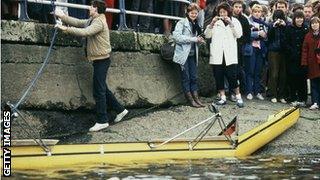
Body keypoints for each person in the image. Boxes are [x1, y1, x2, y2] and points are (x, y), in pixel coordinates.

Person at [54, 0, 128, 132]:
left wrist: (65, 29)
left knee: (98, 91)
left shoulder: (99, 22)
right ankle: (120, 110)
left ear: (96, 9)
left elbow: (85, 32)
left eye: (91, 6)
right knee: (103, 88)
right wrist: (62, 17)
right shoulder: (93, 19)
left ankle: (102, 120)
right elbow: (78, 22)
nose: (89, 8)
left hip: (102, 60)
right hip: (99, 59)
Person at [204, 2, 244, 108]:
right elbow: (207, 35)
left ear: (228, 12)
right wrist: (211, 24)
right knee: (218, 76)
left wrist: (231, 24)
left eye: (224, 12)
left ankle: (238, 96)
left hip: (229, 54)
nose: (222, 14)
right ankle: (222, 97)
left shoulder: (235, 21)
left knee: (232, 76)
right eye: (220, 12)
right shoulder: (215, 22)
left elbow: (239, 35)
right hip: (217, 54)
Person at [172, 3, 205, 108]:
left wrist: (199, 41)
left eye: (196, 13)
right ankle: (190, 100)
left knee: (194, 77)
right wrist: (193, 39)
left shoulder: (196, 25)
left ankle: (196, 98)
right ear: (187, 12)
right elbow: (176, 37)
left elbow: (196, 39)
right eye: (192, 13)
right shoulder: (181, 22)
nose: (194, 15)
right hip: (183, 54)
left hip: (192, 54)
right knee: (186, 77)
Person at [285, 10, 308, 107]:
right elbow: (285, 42)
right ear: (294, 19)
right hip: (292, 58)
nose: (300, 20)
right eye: (298, 18)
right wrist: (291, 52)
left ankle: (303, 99)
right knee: (292, 79)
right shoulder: (289, 28)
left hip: (303, 58)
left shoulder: (306, 28)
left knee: (302, 79)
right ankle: (293, 98)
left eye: (301, 18)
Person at [246, 4, 268, 101]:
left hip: (260, 49)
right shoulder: (248, 21)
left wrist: (265, 35)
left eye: (259, 12)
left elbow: (267, 36)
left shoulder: (263, 23)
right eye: (255, 12)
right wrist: (258, 33)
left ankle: (257, 91)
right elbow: (247, 34)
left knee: (258, 71)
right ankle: (249, 92)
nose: (257, 13)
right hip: (251, 48)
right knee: (250, 71)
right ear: (252, 12)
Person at [267, 9, 288, 103]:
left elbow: (287, 37)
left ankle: (281, 95)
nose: (278, 20)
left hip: (283, 51)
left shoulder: (286, 25)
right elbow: (269, 37)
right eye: (276, 18)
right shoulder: (271, 25)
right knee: (274, 74)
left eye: (280, 18)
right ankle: (273, 94)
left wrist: (284, 27)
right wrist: (274, 26)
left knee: (283, 75)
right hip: (273, 51)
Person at [232, 0, 251, 95]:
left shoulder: (244, 19)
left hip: (239, 47)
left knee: (239, 69)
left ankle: (240, 90)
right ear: (232, 7)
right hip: (229, 46)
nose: (238, 9)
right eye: (236, 6)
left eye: (240, 7)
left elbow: (248, 35)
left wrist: (241, 41)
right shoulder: (229, 17)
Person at [301, 17, 320, 110]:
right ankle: (315, 102)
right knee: (314, 83)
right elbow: (304, 50)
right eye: (312, 23)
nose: (314, 25)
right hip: (312, 62)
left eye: (316, 23)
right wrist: (304, 62)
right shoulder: (308, 36)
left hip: (319, 61)